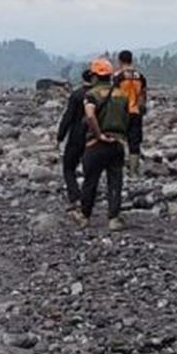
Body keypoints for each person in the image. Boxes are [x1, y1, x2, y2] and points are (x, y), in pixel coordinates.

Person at [79, 58, 136, 230]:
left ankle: (85, 217)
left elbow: (90, 115)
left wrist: (99, 135)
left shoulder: (91, 95)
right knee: (115, 182)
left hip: (96, 144)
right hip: (117, 143)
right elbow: (130, 118)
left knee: (90, 182)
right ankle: (113, 218)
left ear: (95, 76)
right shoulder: (122, 95)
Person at [58, 66, 97, 216]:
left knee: (68, 167)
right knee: (91, 169)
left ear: (83, 79)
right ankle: (88, 198)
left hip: (76, 136)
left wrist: (60, 135)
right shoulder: (98, 95)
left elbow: (68, 116)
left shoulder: (76, 95)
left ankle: (75, 197)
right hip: (94, 135)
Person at [114, 50, 148, 177]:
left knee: (119, 140)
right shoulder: (140, 76)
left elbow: (114, 95)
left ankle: (118, 169)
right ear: (131, 60)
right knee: (134, 142)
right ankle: (133, 172)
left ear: (120, 61)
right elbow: (143, 95)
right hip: (136, 112)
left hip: (122, 112)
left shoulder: (119, 77)